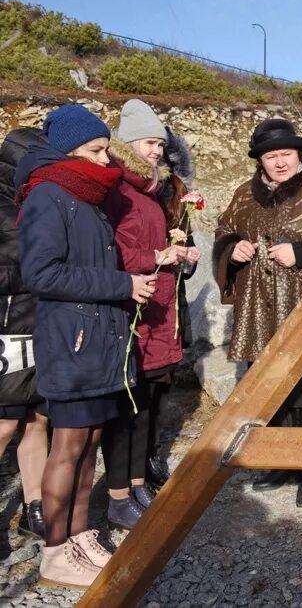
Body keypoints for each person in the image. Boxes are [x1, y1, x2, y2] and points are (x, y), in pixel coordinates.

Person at [16, 104, 157, 587]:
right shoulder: (47, 197)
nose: (105, 161)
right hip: (71, 342)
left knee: (90, 443)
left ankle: (79, 537)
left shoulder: (87, 199)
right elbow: (41, 273)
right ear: (70, 149)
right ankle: (55, 552)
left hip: (100, 341)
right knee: (67, 447)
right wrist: (122, 285)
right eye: (97, 151)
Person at [213, 118, 302, 509]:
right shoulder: (245, 194)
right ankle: (279, 462)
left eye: (286, 155)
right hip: (259, 305)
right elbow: (223, 228)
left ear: (299, 155)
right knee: (270, 388)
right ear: (260, 160)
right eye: (271, 156)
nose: (279, 162)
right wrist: (233, 248)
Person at [100, 99, 200, 530]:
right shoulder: (119, 190)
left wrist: (182, 249)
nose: (156, 151)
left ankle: (138, 482)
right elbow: (113, 250)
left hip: (158, 308)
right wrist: (161, 252)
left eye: (160, 144)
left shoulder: (152, 191)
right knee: (125, 405)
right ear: (127, 144)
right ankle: (118, 491)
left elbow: (154, 247)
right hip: (131, 308)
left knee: (144, 402)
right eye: (148, 143)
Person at [0, 127, 48, 540]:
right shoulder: (4, 200)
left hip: (42, 321)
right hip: (8, 326)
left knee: (38, 419)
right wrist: (35, 268)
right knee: (2, 425)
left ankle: (36, 509)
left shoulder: (36, 199)